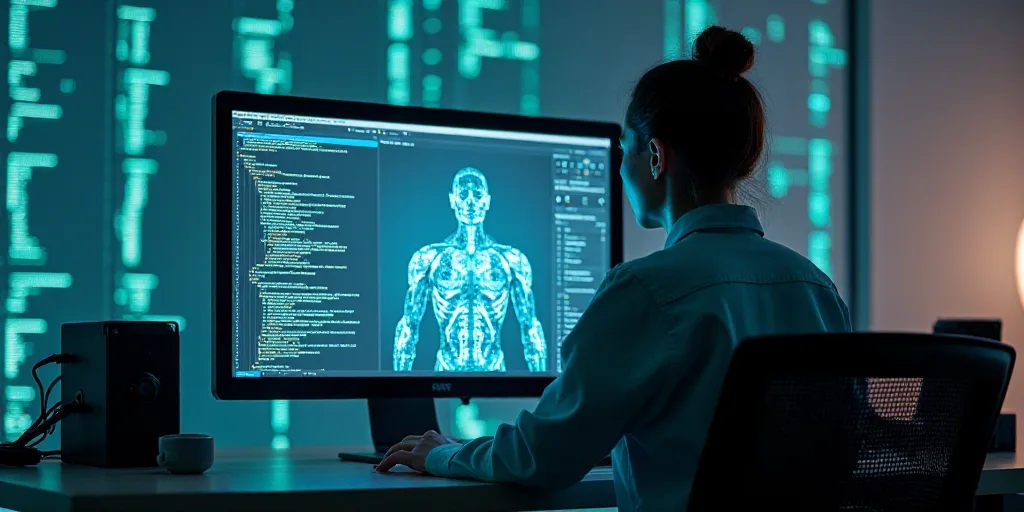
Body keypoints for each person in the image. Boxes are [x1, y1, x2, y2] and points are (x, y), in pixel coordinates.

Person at [375, 25, 852, 511]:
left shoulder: (646, 290)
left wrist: (446, 455)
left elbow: (543, 458)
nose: (619, 169)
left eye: (625, 149)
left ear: (656, 156)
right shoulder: (817, 289)